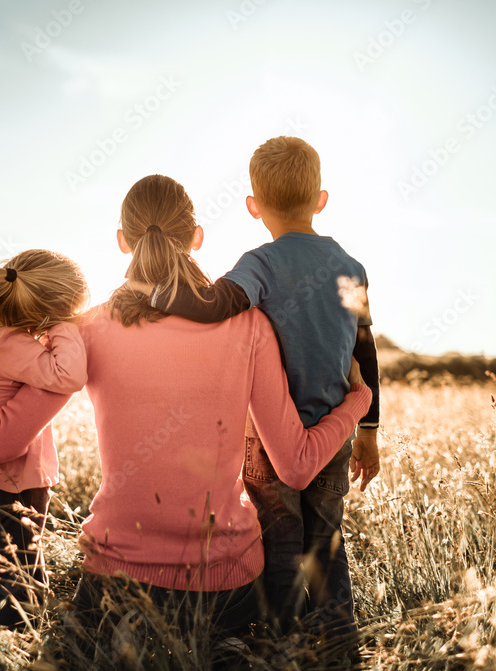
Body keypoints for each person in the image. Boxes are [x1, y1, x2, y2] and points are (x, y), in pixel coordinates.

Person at [0, 174, 372, 643]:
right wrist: (358, 403)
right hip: (227, 592)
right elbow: (295, 465)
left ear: (122, 242)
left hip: (112, 588)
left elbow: (5, 432)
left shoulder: (86, 332)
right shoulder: (249, 326)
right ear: (196, 238)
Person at [132, 137, 381, 638]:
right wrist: (370, 429)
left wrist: (153, 293)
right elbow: (365, 348)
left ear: (253, 207)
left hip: (270, 439)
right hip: (335, 433)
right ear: (321, 200)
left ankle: (281, 639)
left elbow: (216, 304)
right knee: (326, 540)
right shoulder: (351, 269)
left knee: (279, 541)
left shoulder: (260, 264)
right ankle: (337, 636)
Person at [0, 248, 88, 629]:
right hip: (10, 488)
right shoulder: (11, 344)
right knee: (12, 593)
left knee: (21, 571)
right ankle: (3, 650)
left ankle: (24, 637)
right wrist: (65, 326)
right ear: (42, 314)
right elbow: (69, 375)